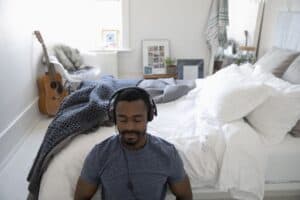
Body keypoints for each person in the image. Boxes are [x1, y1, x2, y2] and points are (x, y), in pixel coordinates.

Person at [74, 87, 193, 200]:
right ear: (114, 119)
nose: (130, 127)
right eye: (123, 120)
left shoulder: (168, 154)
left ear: (149, 117)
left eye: (137, 120)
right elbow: (81, 197)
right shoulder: (99, 154)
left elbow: (185, 195)